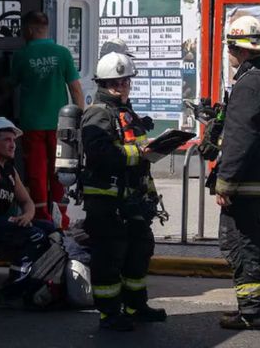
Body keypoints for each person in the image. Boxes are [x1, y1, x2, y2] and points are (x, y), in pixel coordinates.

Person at [80, 52, 165, 332]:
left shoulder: (127, 113)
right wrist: (138, 153)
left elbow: (141, 161)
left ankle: (135, 307)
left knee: (139, 251)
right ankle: (109, 314)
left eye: (125, 81)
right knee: (109, 257)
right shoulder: (97, 113)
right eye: (115, 82)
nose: (121, 87)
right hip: (106, 201)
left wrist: (150, 192)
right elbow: (99, 154)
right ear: (103, 84)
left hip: (132, 199)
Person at [214, 15, 260, 330]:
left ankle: (252, 312)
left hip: (248, 184)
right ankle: (258, 306)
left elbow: (240, 137)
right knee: (255, 245)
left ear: (235, 47)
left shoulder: (249, 82)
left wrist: (225, 182)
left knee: (242, 246)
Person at [11, 11, 84, 229]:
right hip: (60, 126)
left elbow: (10, 86)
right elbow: (76, 90)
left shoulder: (21, 56)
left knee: (36, 173)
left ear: (29, 29)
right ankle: (62, 218)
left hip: (32, 125)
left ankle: (42, 217)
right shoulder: (62, 53)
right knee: (61, 171)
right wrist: (79, 122)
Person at [0, 117, 55, 305]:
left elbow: (27, 202)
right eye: (7, 140)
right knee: (35, 236)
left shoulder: (11, 170)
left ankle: (37, 281)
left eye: (14, 140)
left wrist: (27, 216)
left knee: (50, 229)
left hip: (4, 223)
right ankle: (11, 291)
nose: (12, 145)